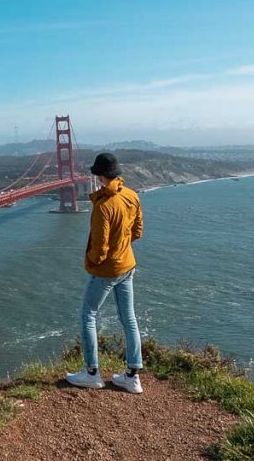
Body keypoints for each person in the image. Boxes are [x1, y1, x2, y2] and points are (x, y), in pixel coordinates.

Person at [65, 152, 145, 394]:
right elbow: (138, 231)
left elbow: (100, 249)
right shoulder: (131, 195)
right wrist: (121, 247)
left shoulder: (103, 206)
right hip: (127, 265)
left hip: (108, 270)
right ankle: (132, 376)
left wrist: (91, 261)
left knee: (88, 315)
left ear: (99, 175)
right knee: (128, 318)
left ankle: (92, 373)